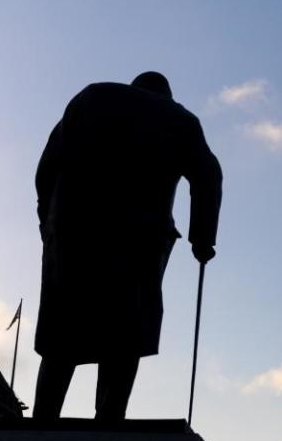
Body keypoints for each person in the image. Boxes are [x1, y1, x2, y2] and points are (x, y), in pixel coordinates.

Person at [33, 71, 222, 420]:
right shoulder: (180, 119)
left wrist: (48, 220)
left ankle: (43, 418)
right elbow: (209, 175)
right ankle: (109, 420)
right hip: (139, 240)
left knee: (64, 328)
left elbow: (46, 166)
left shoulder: (89, 98)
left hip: (75, 232)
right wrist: (202, 240)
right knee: (126, 331)